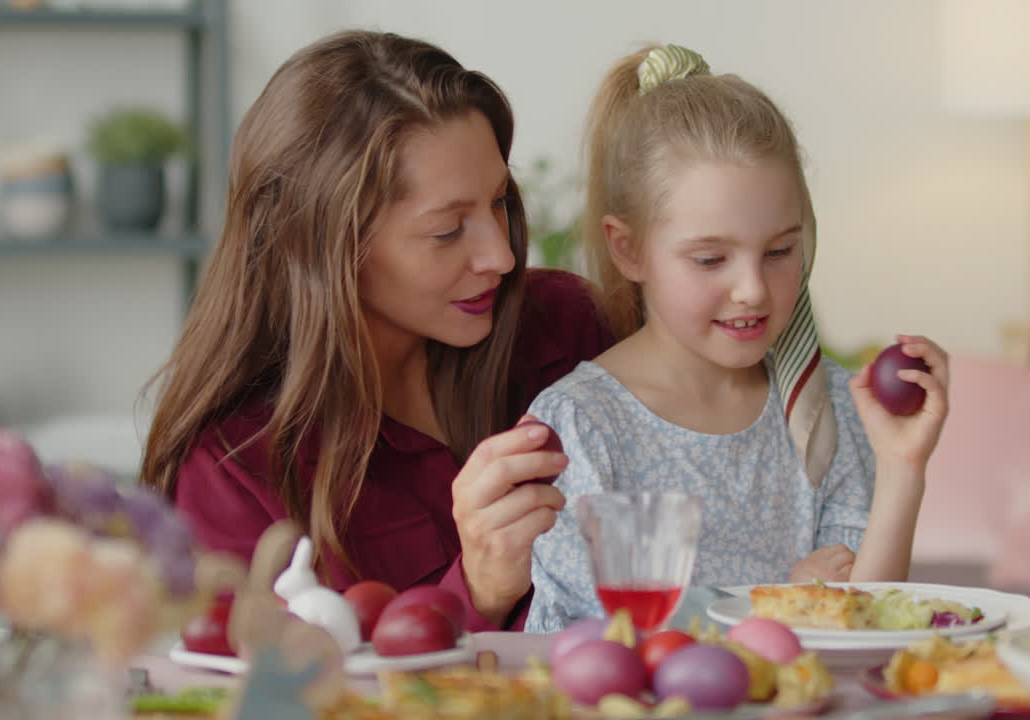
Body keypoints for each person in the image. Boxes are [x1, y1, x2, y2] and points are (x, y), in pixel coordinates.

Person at [139, 30, 613, 632]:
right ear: (325, 249)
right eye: (447, 231)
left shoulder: (566, 330)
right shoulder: (232, 469)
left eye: (499, 202)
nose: (500, 255)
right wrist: (476, 591)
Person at [524, 44, 950, 632]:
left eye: (779, 251)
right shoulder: (580, 427)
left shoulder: (822, 405)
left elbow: (869, 621)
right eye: (710, 258)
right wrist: (778, 604)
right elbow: (595, 648)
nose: (753, 288)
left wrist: (904, 466)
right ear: (628, 248)